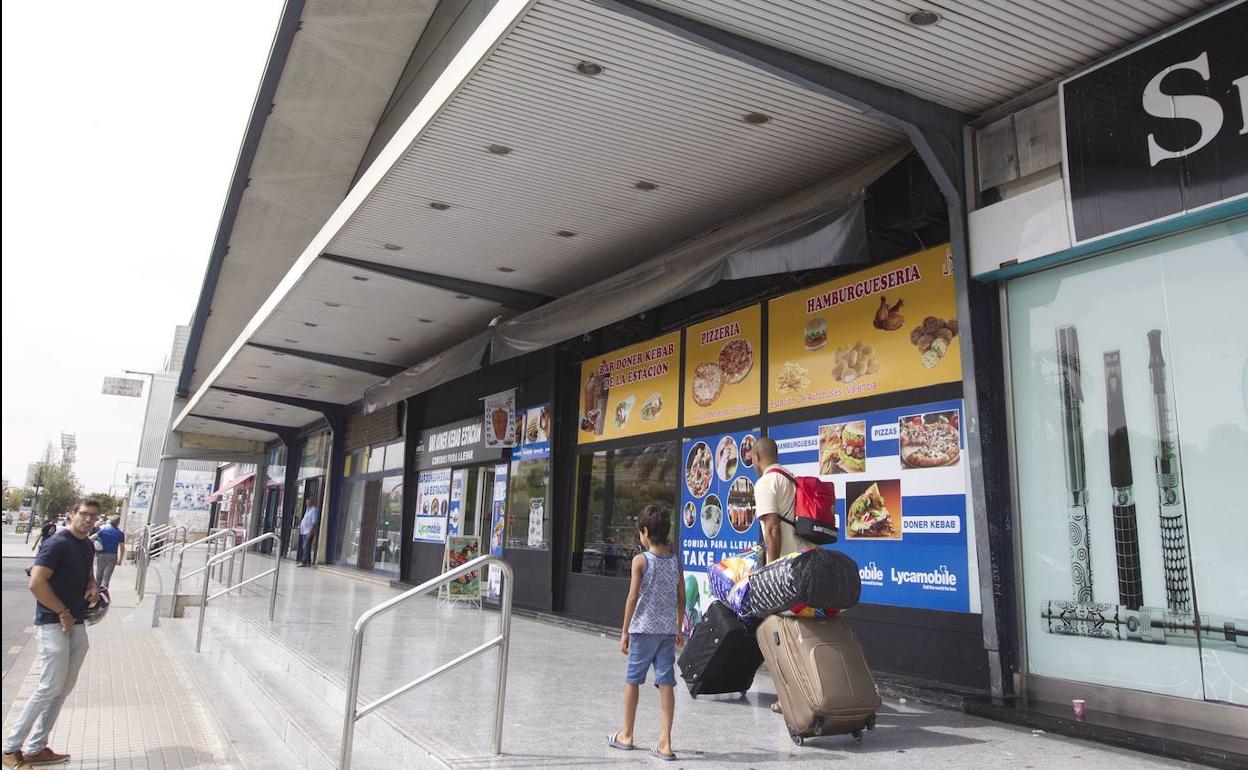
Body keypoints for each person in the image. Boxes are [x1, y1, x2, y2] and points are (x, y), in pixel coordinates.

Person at [3, 499, 101, 768]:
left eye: (93, 516)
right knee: (48, 687)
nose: (88, 520)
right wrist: (62, 612)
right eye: (83, 514)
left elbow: (87, 574)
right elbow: (36, 583)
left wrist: (92, 586)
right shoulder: (57, 543)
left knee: (62, 689)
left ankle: (36, 748)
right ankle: (10, 748)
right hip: (52, 623)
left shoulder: (87, 544)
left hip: (77, 623)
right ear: (72, 514)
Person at [610, 505, 684, 761]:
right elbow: (681, 597)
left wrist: (624, 631)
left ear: (644, 532)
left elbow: (632, 597)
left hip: (642, 631)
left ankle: (627, 734)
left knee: (633, 679)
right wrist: (678, 625)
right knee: (666, 683)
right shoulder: (675, 561)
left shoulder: (640, 560)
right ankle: (665, 742)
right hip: (665, 632)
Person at [752, 437, 815, 565]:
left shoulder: (765, 482)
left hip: (789, 567)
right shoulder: (791, 477)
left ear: (757, 457)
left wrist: (771, 571)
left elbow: (772, 528)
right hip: (807, 559)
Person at [92, 516, 126, 589]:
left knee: (99, 573)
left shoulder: (104, 530)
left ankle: (97, 590)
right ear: (118, 523)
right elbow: (122, 548)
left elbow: (92, 538)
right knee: (107, 576)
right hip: (113, 556)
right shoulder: (120, 533)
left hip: (101, 554)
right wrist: (120, 559)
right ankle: (104, 592)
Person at [297, 498, 319, 567]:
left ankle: (304, 561)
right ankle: (308, 561)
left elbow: (313, 522)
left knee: (305, 546)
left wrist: (310, 532)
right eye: (306, 502)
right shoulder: (307, 510)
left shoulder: (313, 510)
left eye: (308, 502)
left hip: (308, 532)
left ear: (312, 502)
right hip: (304, 531)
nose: (307, 503)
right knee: (307, 547)